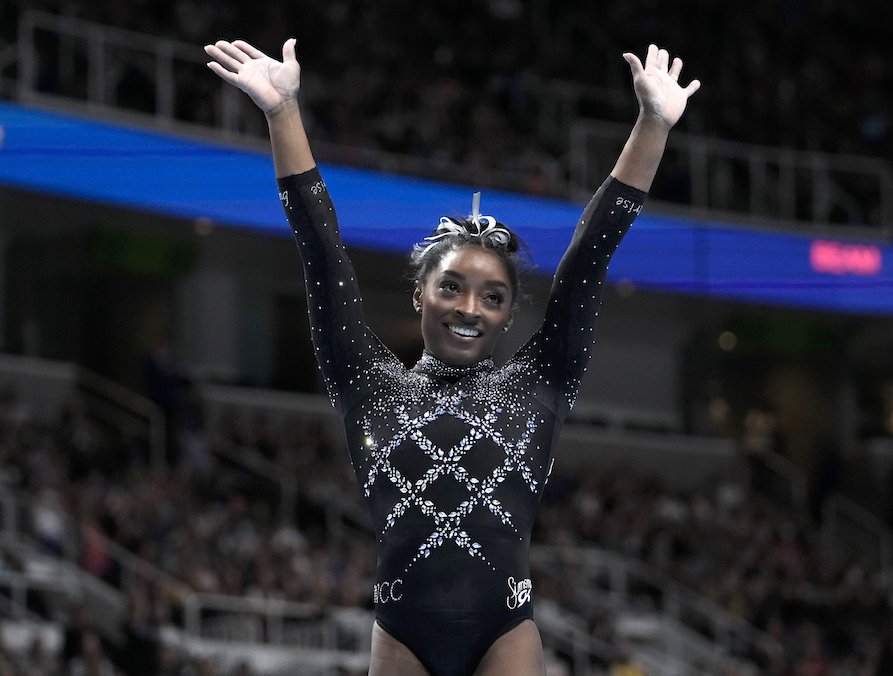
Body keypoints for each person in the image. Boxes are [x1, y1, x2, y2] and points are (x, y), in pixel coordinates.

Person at [204, 36, 699, 676]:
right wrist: (283, 113)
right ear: (421, 295)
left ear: (508, 314)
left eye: (492, 296)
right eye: (452, 287)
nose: (470, 307)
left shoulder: (539, 383)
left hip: (506, 631)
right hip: (402, 635)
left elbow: (589, 257)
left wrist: (653, 125)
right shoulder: (366, 383)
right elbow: (321, 250)